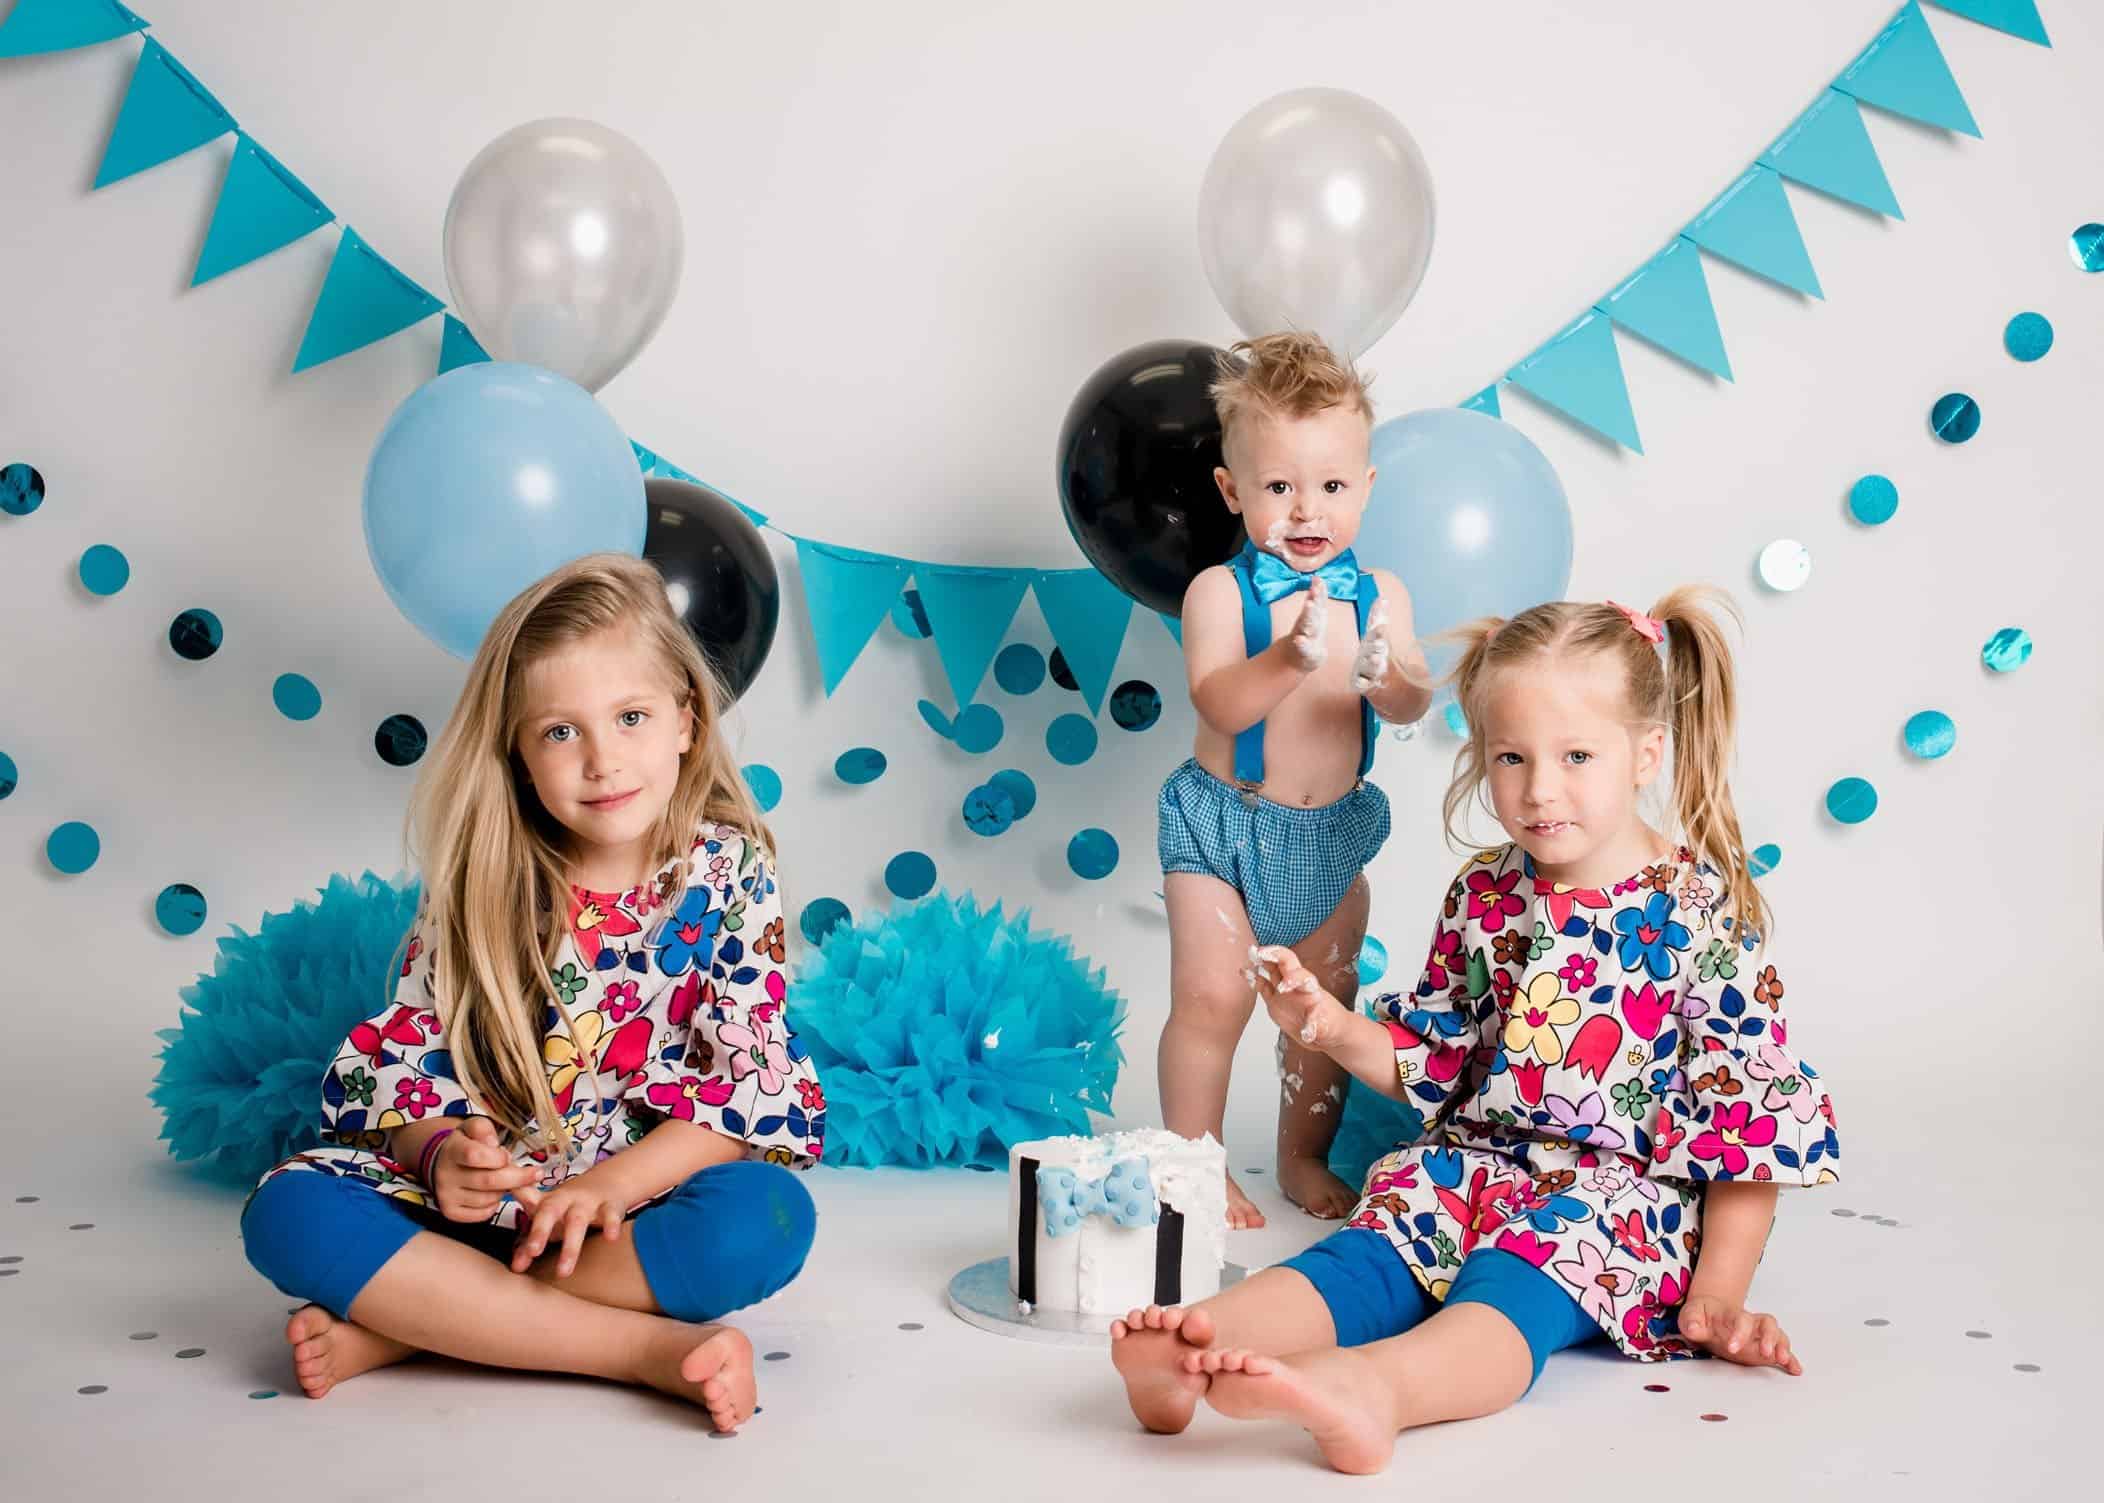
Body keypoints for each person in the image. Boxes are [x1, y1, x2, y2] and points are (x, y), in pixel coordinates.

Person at [1116, 589, 1838, 1472]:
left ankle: (1378, 1390)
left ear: (1646, 753)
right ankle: (1195, 1342)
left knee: (1512, 1287)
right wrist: (1331, 1026)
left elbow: (1748, 1116)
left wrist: (1716, 1294)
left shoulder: (1699, 911)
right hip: (1475, 1161)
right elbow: (1437, 1059)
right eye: (1511, 756)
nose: (1539, 789)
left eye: (1577, 756)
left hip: (1615, 1199)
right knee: (1377, 1245)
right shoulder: (1486, 892)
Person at [240, 553, 822, 1432]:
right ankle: (638, 1350)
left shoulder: (727, 870)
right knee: (287, 1214)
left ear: (686, 721)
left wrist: (611, 1186)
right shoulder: (485, 875)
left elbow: (748, 1085)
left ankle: (420, 1324)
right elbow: (405, 1066)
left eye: (631, 717)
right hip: (474, 1211)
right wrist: (442, 1155)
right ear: (517, 753)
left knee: (766, 1218)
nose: (602, 760)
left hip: (631, 1209)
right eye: (560, 732)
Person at [1158, 331, 1432, 1227]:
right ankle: (1195, 1165)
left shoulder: (1380, 593)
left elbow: (1410, 701)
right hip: (1224, 831)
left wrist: (1387, 676)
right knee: (1212, 999)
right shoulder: (1218, 593)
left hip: (1329, 836)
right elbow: (1219, 701)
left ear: (1367, 486)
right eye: (1279, 486)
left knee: (1324, 1005)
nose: (1307, 509)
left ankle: (1301, 1152)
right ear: (1232, 490)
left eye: (1332, 486)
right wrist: (1287, 659)